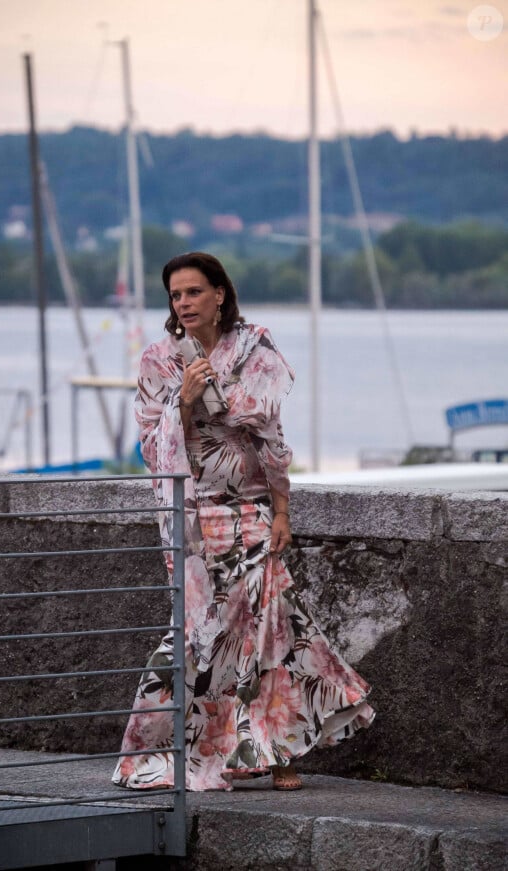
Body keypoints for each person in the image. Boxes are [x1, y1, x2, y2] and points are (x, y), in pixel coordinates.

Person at [112, 252, 374, 792]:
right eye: (175, 295)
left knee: (272, 630)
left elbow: (270, 437)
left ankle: (281, 756)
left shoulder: (256, 349)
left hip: (251, 513)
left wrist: (282, 510)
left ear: (219, 294)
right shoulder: (159, 362)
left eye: (192, 292)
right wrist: (183, 403)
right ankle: (163, 753)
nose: (183, 303)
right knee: (194, 637)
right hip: (193, 518)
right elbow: (149, 443)